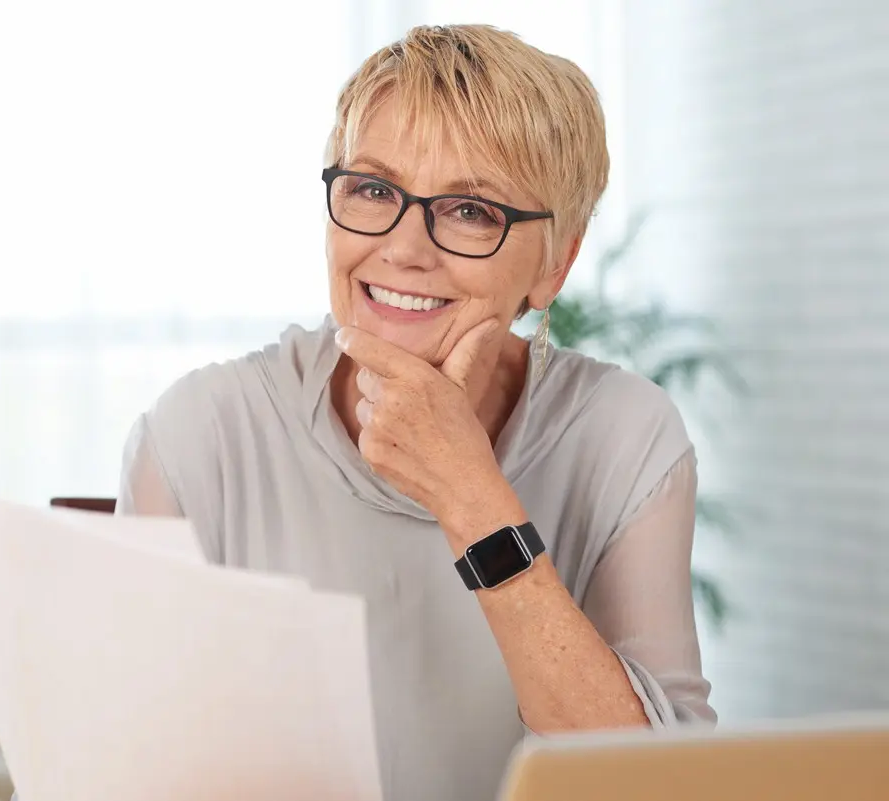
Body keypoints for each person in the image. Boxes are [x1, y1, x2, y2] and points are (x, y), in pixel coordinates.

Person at [42, 23, 715, 801]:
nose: (402, 248)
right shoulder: (202, 433)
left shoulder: (627, 436)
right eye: (373, 190)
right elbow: (103, 774)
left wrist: (471, 494)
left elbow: (662, 787)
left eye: (469, 209)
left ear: (554, 262)